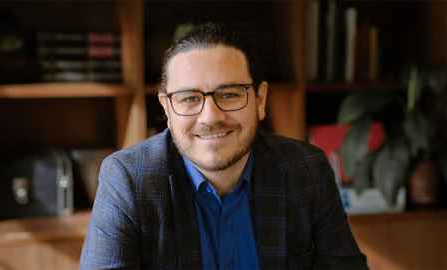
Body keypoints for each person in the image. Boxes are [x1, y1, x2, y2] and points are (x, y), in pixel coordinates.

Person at [80, 23, 369, 270]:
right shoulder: (129, 178)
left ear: (260, 100)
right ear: (167, 108)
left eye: (229, 95)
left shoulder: (306, 169)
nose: (211, 117)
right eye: (189, 98)